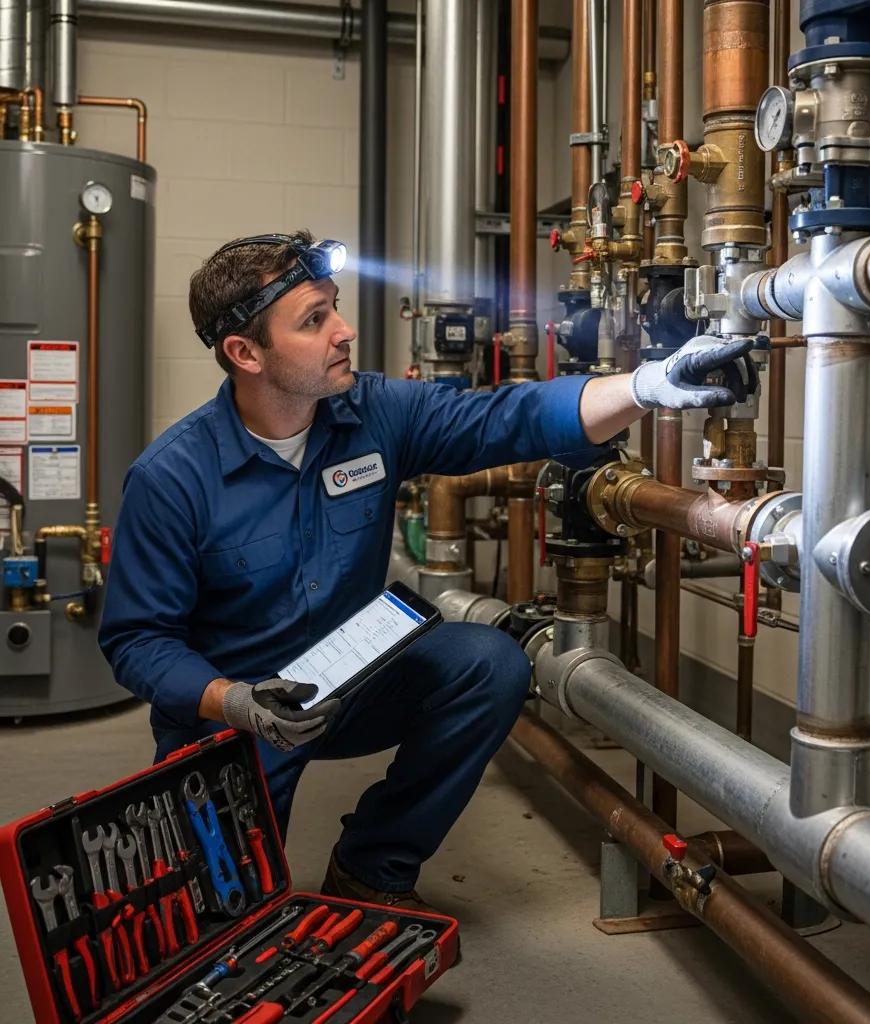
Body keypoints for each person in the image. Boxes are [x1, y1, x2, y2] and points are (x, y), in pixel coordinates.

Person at [98, 230, 752, 911]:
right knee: (220, 923)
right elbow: (137, 642)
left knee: (487, 662)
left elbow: (509, 416)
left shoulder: (373, 413)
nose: (344, 331)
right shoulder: (172, 478)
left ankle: (372, 867)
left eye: (335, 307)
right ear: (245, 353)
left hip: (348, 681)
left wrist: (651, 383)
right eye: (314, 320)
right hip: (236, 711)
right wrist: (233, 701)